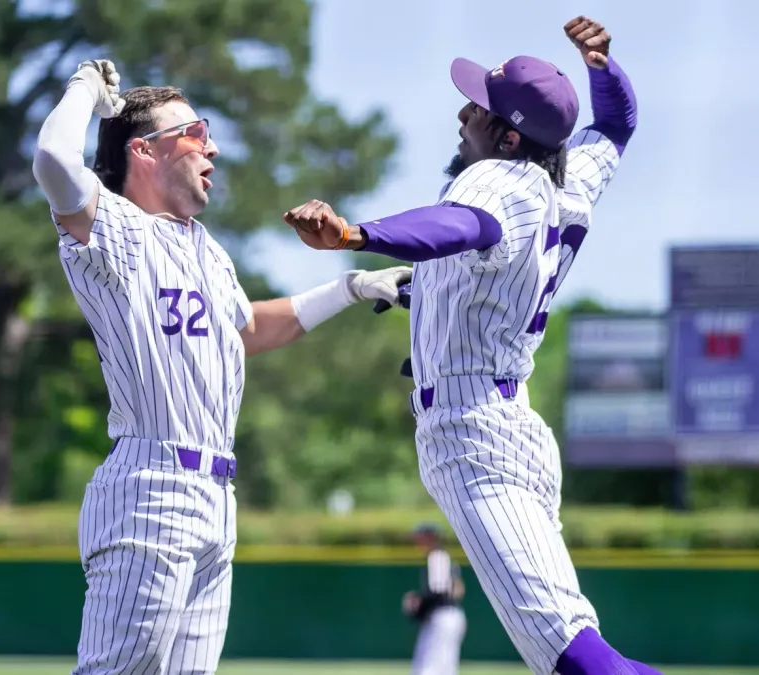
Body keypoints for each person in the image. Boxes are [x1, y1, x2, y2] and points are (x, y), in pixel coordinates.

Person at [282, 16, 660, 675]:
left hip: (473, 434)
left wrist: (354, 232)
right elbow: (618, 126)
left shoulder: (499, 177)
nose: (464, 113)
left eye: (480, 109)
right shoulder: (565, 177)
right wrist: (602, 68)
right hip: (509, 421)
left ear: (509, 135)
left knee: (569, 649)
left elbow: (460, 224)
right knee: (566, 641)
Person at [31, 59, 412, 675]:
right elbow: (52, 159)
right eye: (193, 130)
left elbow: (247, 331)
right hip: (151, 483)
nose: (211, 144)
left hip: (215, 498)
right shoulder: (117, 229)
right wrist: (84, 89)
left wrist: (352, 288)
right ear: (144, 150)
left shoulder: (205, 248)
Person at [402, 523, 467, 675]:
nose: (417, 540)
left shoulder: (437, 556)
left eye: (420, 537)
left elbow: (439, 591)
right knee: (444, 667)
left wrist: (419, 603)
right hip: (448, 616)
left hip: (443, 617)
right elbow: (457, 589)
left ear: (430, 537)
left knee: (429, 667)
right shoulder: (443, 556)